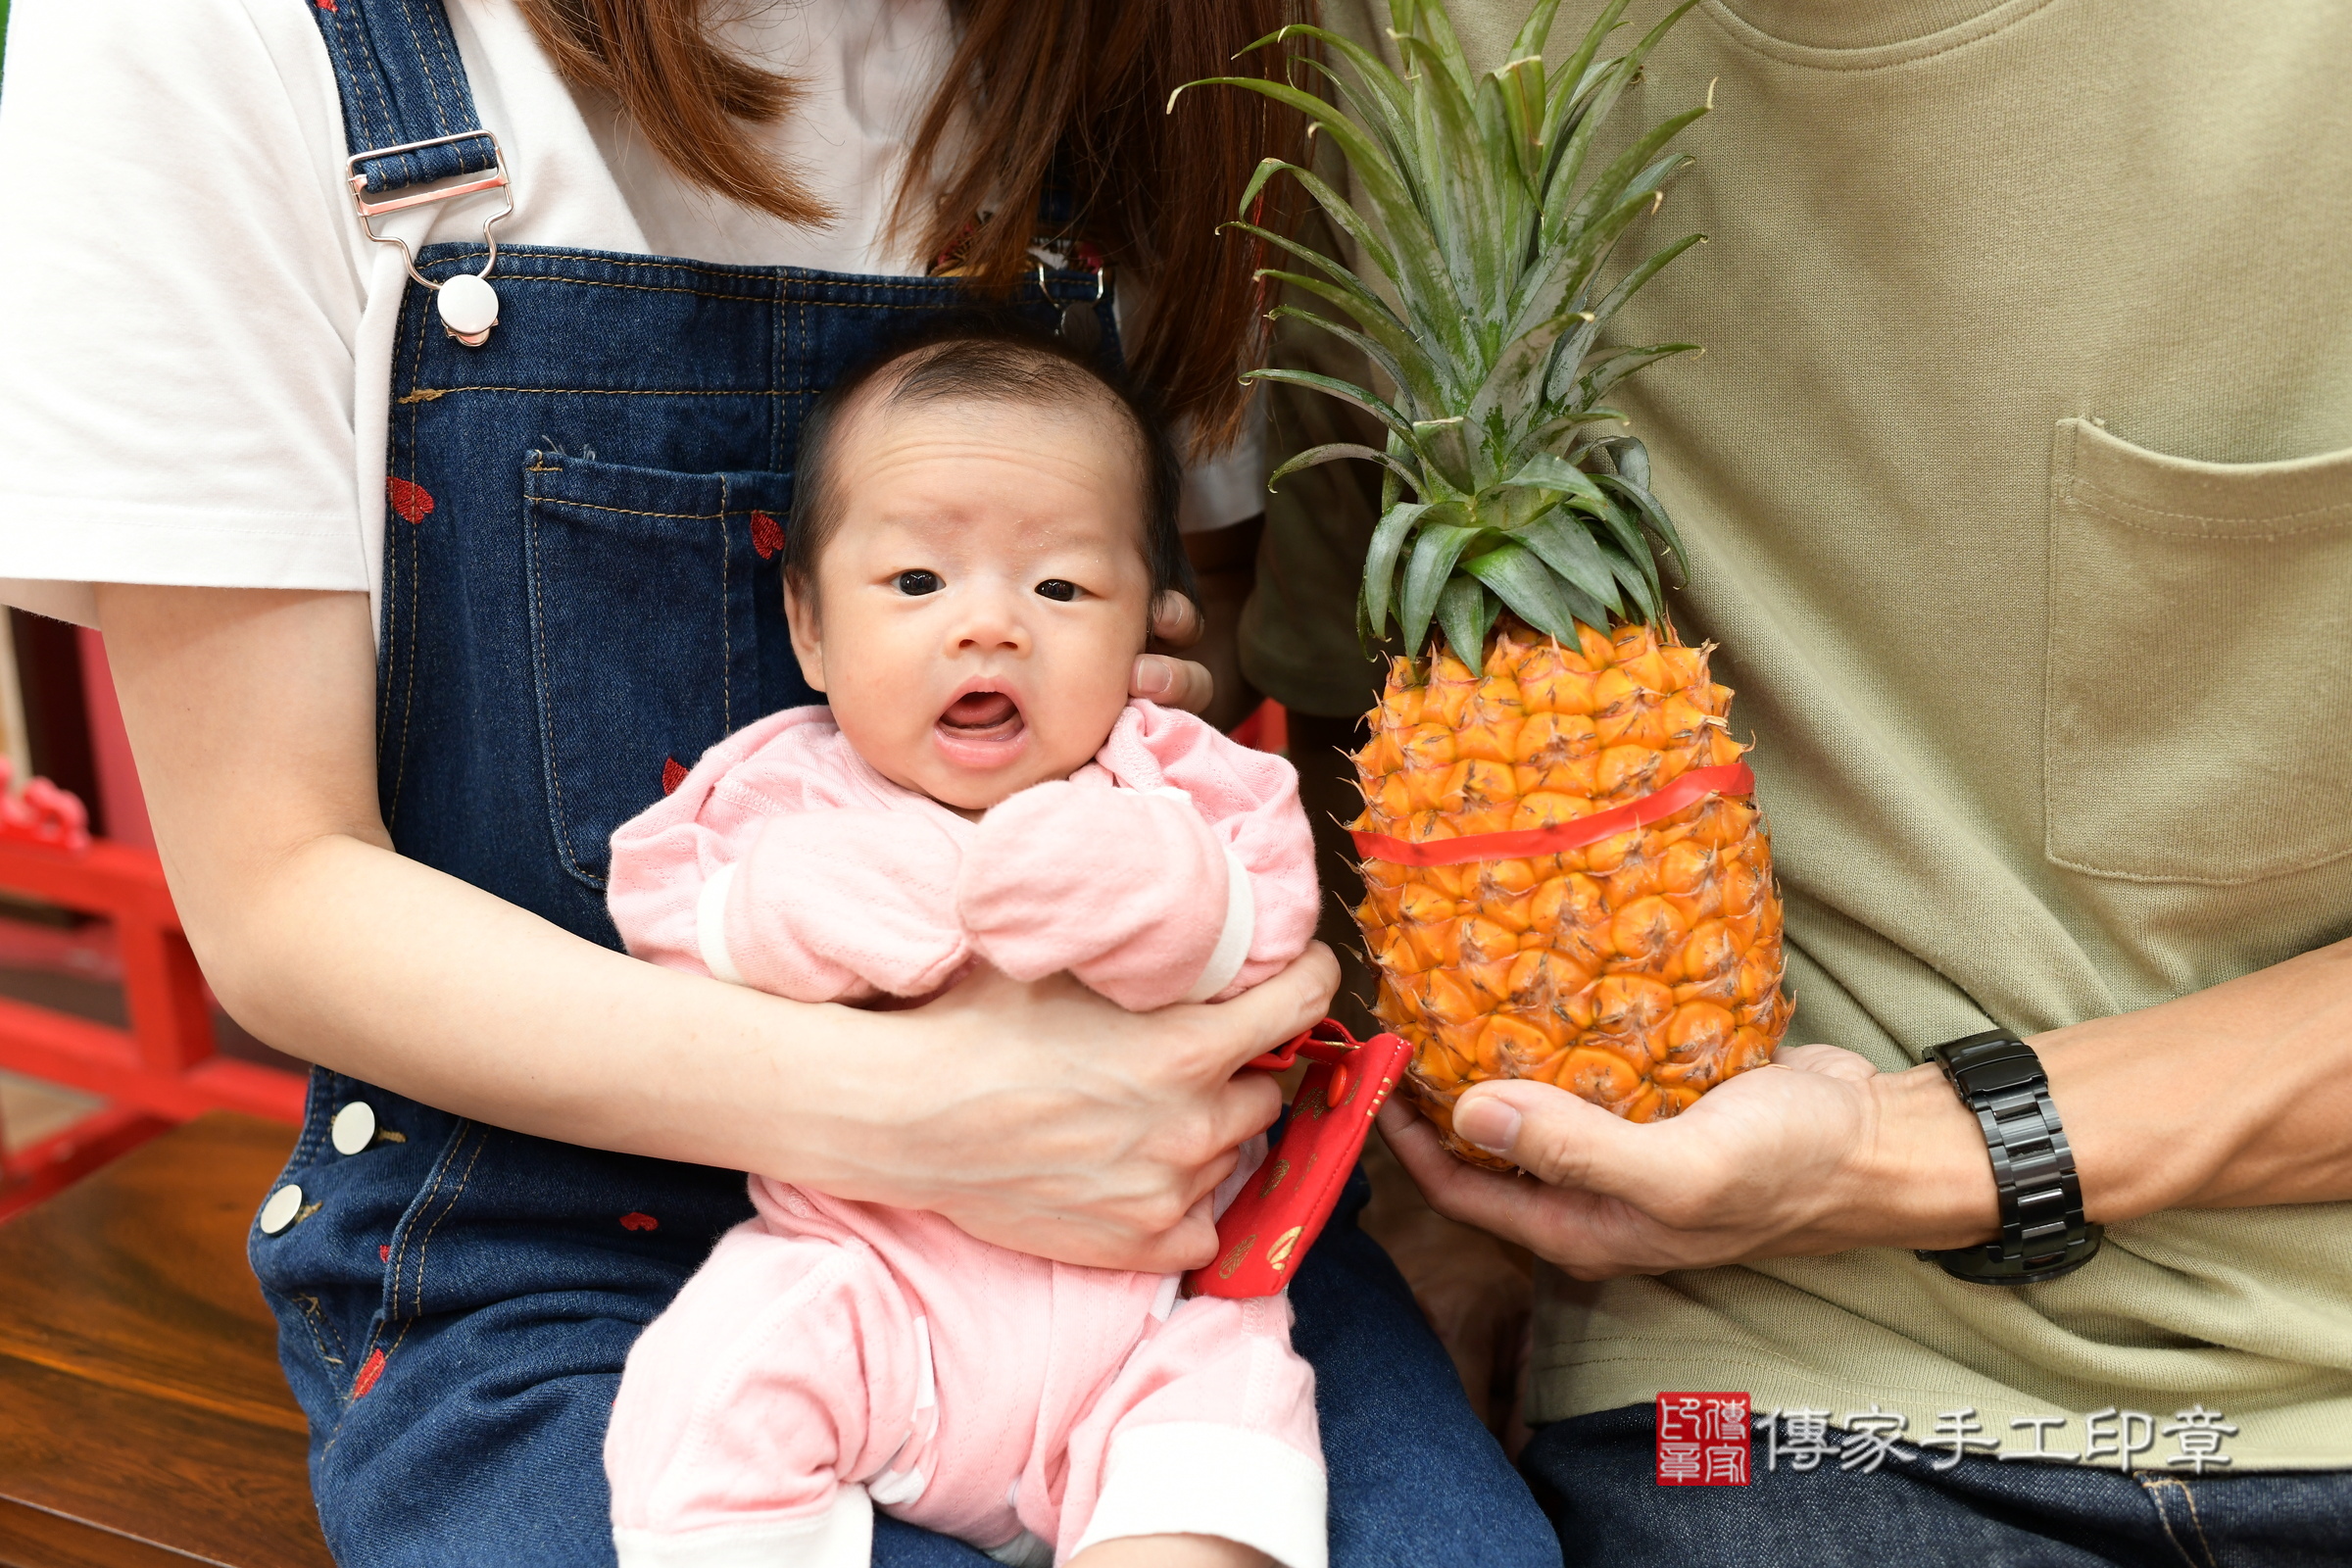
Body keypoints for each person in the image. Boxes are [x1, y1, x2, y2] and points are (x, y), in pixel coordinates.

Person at [0, 2, 1563, 1565]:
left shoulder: (1123, 50)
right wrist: (938, 1110)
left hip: (1155, 1231)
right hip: (565, 1250)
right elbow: (279, 893)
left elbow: (1204, 653)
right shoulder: (222, 35)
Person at [1245, 2, 2352, 1563]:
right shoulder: (1418, 42)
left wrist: (1905, 1149)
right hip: (1763, 1403)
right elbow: (1346, 741)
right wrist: (1459, 1218)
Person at [602, 328, 1324, 1568]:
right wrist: (797, 901)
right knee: (724, 1371)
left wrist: (1159, 889)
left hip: (1151, 1316)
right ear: (812, 630)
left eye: (1059, 589)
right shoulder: (780, 792)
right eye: (919, 584)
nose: (990, 625)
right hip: (873, 1290)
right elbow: (668, 913)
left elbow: (1271, 912)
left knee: (1238, 1431)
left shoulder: (1177, 781)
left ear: (1148, 627)